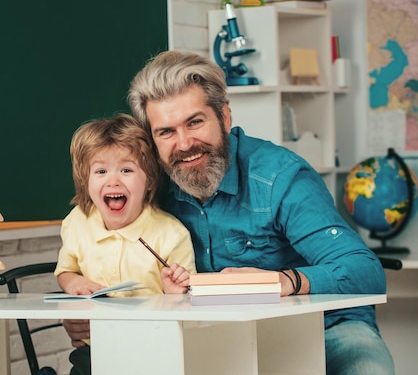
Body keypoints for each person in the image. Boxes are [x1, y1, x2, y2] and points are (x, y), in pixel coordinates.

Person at [63, 50, 394, 375]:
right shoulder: (150, 181)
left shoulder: (280, 177)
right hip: (214, 338)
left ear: (224, 116)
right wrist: (88, 313)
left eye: (195, 122)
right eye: (166, 132)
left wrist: (284, 281)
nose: (184, 143)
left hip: (322, 329)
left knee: (369, 369)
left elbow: (365, 271)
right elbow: (116, 256)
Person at [56, 112, 196, 375]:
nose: (113, 180)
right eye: (100, 171)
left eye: (127, 170)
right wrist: (73, 283)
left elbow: (189, 308)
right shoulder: (77, 222)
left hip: (155, 349)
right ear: (86, 182)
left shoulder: (171, 234)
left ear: (150, 182)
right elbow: (66, 270)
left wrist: (175, 293)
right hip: (93, 349)